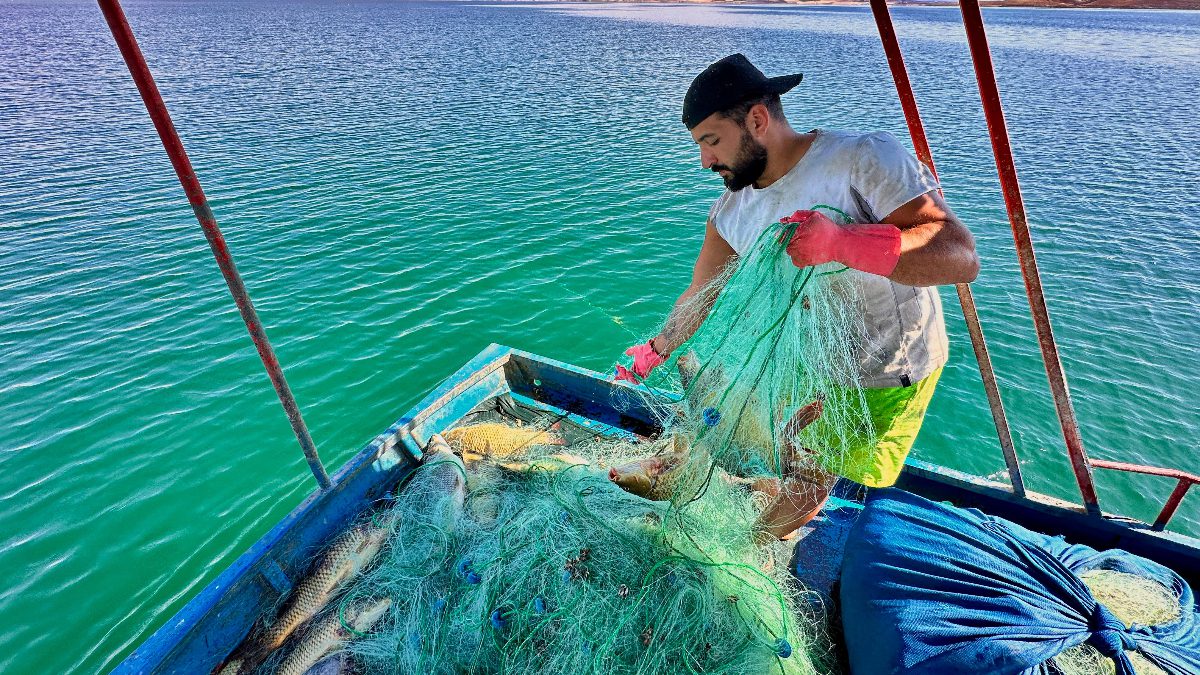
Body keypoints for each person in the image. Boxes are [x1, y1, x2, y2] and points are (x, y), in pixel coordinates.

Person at [614, 53, 980, 541]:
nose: (705, 161)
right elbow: (703, 291)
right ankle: (747, 490)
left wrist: (848, 243)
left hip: (881, 367)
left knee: (810, 478)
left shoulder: (863, 159)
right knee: (768, 440)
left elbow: (959, 256)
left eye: (711, 141)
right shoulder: (731, 211)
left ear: (758, 120)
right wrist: (656, 349)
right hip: (802, 357)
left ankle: (741, 553)